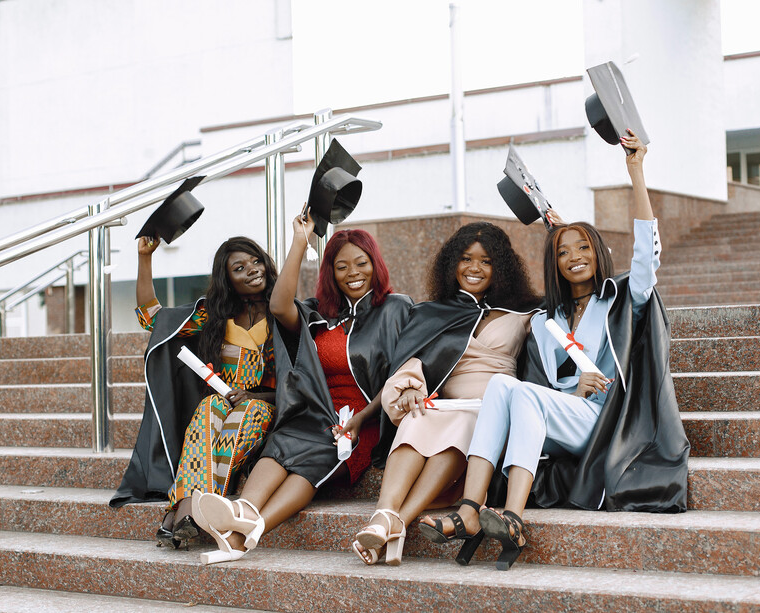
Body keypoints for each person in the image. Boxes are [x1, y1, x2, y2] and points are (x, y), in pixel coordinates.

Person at [420, 129, 689, 570]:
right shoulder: (547, 321)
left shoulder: (622, 296)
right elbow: (536, 386)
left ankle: (512, 516)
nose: (575, 256)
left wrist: (635, 170)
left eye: (584, 247)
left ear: (599, 251)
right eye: (564, 252)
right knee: (505, 386)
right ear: (556, 264)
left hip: (606, 420)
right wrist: (552, 224)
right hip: (560, 415)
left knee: (520, 391)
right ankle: (471, 509)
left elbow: (646, 252)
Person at [190, 214, 412, 564]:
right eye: (341, 267)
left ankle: (244, 536)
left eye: (361, 263)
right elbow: (279, 306)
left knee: (317, 452)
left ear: (375, 264)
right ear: (330, 273)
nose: (353, 272)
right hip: (314, 409)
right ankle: (245, 509)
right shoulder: (320, 313)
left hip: (364, 418)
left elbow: (399, 376)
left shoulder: (397, 309)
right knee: (285, 437)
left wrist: (361, 418)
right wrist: (299, 241)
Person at [351, 222, 541, 566]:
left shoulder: (526, 311)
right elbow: (412, 363)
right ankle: (385, 516)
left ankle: (398, 520)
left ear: (502, 267)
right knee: (417, 417)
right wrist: (409, 390)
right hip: (448, 404)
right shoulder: (433, 313)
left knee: (465, 425)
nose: (474, 268)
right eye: (466, 259)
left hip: (495, 410)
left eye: (486, 261)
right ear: (452, 263)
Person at [110, 236, 280, 552]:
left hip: (267, 407)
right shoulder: (214, 316)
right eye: (239, 268)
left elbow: (299, 381)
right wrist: (145, 259)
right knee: (207, 407)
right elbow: (151, 318)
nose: (252, 270)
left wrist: (257, 397)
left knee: (246, 412)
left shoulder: (284, 312)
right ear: (227, 279)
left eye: (256, 261)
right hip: (222, 403)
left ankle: (180, 510)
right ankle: (191, 509)